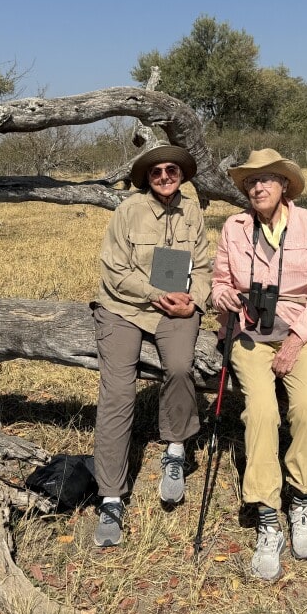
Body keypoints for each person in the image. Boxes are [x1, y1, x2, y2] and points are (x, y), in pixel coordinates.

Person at [211, 148, 307, 580]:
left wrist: (296, 341)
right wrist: (223, 295)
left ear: (284, 184)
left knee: (306, 409)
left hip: (302, 331)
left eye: (267, 179)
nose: (258, 187)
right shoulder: (234, 228)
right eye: (251, 181)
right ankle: (268, 515)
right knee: (261, 412)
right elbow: (219, 281)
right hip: (248, 333)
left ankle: (301, 500)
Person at [91, 145, 211, 547]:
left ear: (181, 174)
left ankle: (175, 449)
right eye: (156, 171)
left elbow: (204, 267)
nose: (164, 176)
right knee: (118, 393)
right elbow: (114, 271)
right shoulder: (128, 210)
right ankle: (110, 497)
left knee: (179, 368)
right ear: (147, 177)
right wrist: (157, 294)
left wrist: (195, 300)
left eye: (171, 169)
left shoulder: (193, 212)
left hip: (177, 308)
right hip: (124, 308)